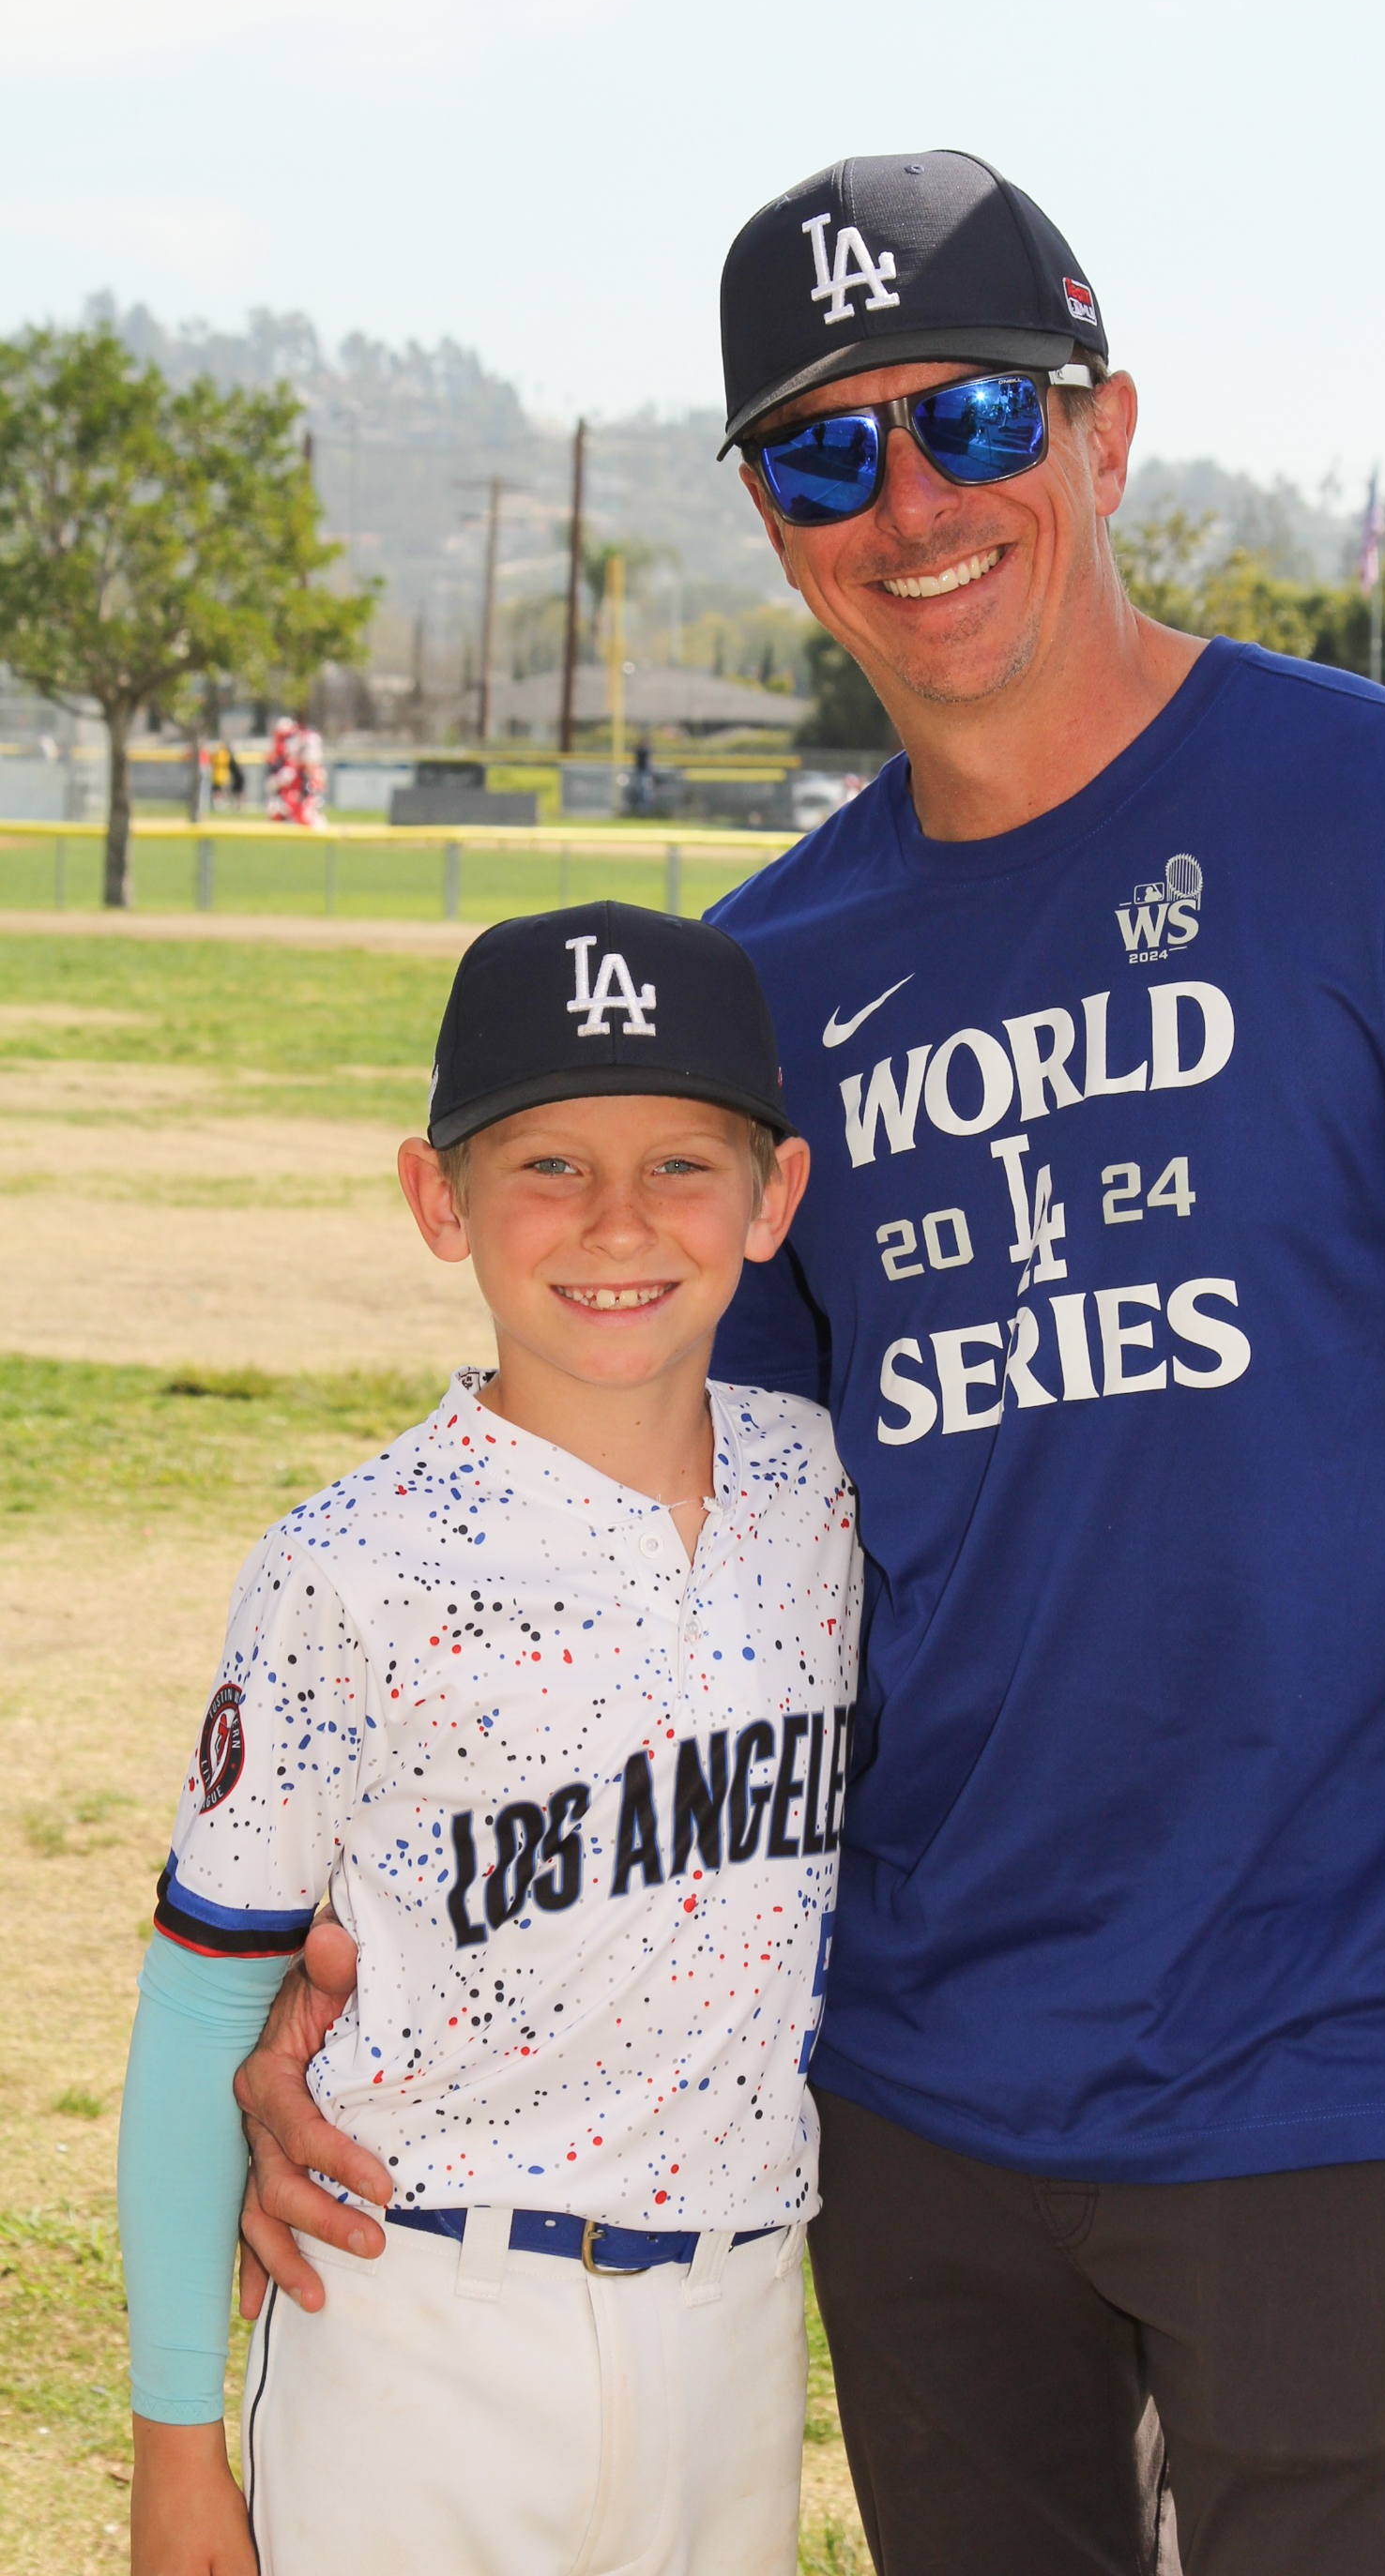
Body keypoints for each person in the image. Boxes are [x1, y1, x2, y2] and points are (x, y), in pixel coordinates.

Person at [234, 154, 1385, 2576]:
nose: (910, 502)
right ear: (773, 520)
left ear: (1104, 429)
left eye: (975, 417)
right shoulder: (771, 982)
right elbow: (675, 1561)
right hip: (916, 2103)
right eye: (828, 451)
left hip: (1334, 2087)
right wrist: (343, 1988)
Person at [117, 902, 862, 2576]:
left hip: (738, 2322)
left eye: (683, 1164)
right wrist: (175, 2441)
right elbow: (207, 2003)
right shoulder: (349, 1564)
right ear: (437, 1197)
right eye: (549, 1165)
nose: (618, 1222)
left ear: (775, 1198)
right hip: (415, 2313)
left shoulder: (828, 1491)